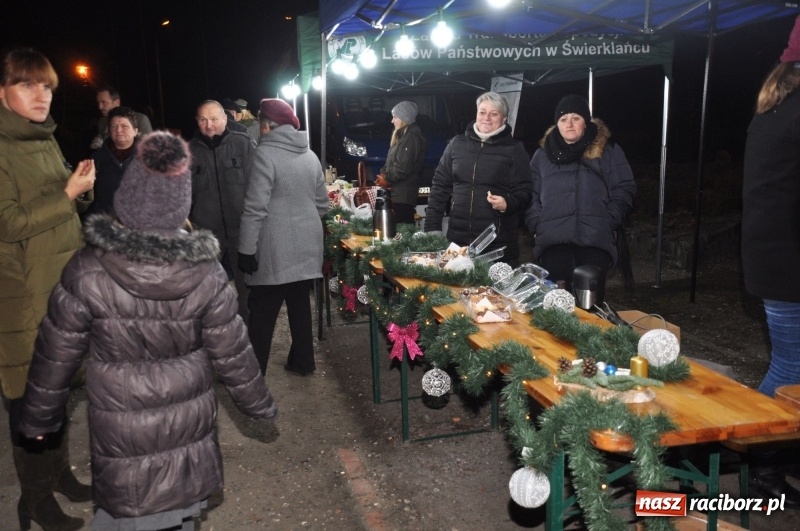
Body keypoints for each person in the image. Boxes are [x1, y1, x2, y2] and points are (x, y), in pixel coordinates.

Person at [17, 131, 278, 530]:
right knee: (180, 514)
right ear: (181, 204)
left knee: (127, 513)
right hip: (185, 434)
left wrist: (38, 418)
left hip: (122, 437)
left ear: (126, 199)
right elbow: (233, 351)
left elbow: (56, 353)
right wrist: (257, 404)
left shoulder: (88, 268)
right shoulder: (205, 273)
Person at [0, 47, 95, 531]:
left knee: (57, 396)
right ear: (2, 92)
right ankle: (35, 502)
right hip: (22, 299)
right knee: (32, 406)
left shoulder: (41, 138)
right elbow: (9, 222)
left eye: (48, 87)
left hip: (60, 292)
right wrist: (66, 195)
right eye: (28, 84)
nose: (42, 95)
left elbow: (58, 206)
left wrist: (80, 187)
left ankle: (58, 477)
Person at [741, 15, 800, 507]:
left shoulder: (774, 106)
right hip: (787, 262)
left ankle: (772, 456)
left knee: (791, 363)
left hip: (772, 259)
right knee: (791, 366)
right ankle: (759, 456)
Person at [238, 99, 328, 376]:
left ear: (267, 125)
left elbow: (255, 208)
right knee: (299, 306)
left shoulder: (263, 155)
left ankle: (252, 379)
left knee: (262, 314)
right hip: (307, 246)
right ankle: (303, 362)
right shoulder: (310, 156)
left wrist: (245, 248)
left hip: (274, 249)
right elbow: (322, 204)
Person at [524, 94, 635, 293]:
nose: (570, 124)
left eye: (576, 118)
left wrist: (609, 220)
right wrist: (536, 223)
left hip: (595, 239)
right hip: (552, 241)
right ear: (557, 123)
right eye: (563, 119)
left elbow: (624, 187)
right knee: (558, 305)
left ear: (586, 121)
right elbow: (530, 193)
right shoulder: (542, 155)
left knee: (591, 307)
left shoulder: (608, 151)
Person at [425, 91, 532, 264]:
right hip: (458, 245)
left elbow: (525, 192)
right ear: (476, 114)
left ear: (504, 118)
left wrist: (508, 203)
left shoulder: (514, 149)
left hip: (497, 247)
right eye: (482, 112)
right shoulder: (457, 144)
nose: (486, 118)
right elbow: (439, 187)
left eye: (494, 113)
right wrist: (432, 227)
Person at [188, 99, 255, 319]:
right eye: (203, 120)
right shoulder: (188, 152)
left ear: (225, 119)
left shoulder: (243, 144)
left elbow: (257, 186)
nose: (209, 125)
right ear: (197, 122)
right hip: (206, 235)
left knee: (248, 290)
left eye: (214, 119)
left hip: (242, 232)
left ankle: (248, 334)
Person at [375, 101, 428, 224]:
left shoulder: (411, 138)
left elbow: (402, 167)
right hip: (398, 194)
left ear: (405, 118)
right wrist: (382, 174)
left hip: (403, 196)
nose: (392, 121)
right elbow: (391, 162)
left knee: (401, 233)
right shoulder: (403, 137)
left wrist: (386, 178)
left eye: (395, 117)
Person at [87, 105, 139, 217]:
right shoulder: (96, 160)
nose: (119, 130)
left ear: (135, 131)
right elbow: (89, 197)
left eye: (124, 126)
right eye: (114, 126)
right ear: (109, 132)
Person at [90, 85, 152, 150]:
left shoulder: (140, 119)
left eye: (104, 103)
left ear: (117, 102)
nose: (100, 107)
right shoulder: (102, 122)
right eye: (98, 103)